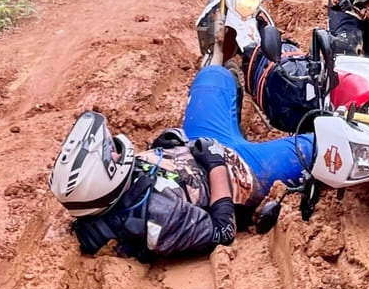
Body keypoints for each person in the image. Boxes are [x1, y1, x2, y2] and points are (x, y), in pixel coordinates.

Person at [51, 67, 303, 261]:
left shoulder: (110, 196)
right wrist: (215, 164)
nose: (114, 147)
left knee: (214, 74)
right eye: (109, 152)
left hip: (198, 144)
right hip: (242, 171)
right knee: (315, 146)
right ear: (105, 179)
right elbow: (223, 232)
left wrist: (166, 147)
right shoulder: (161, 217)